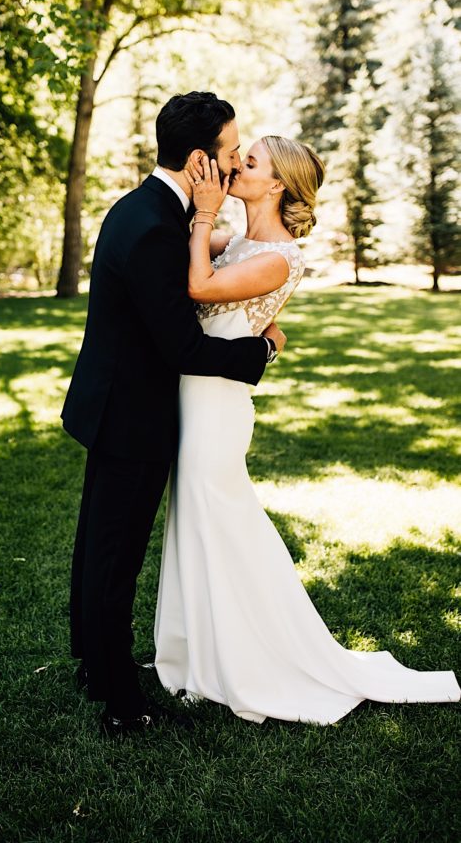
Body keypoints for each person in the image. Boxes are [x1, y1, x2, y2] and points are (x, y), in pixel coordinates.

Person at [154, 135, 461, 723]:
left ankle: (261, 656)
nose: (233, 166)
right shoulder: (238, 240)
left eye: (248, 162)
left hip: (218, 405)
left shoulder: (281, 256)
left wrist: (207, 217)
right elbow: (181, 254)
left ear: (275, 185)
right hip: (194, 395)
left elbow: (198, 287)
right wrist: (199, 209)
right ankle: (202, 650)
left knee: (222, 517)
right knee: (196, 516)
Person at [62, 92, 286, 737]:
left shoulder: (148, 207)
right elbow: (183, 346)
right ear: (199, 160)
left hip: (113, 401)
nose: (237, 161)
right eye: (229, 153)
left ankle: (94, 665)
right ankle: (122, 702)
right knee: (115, 555)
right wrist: (262, 349)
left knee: (97, 546)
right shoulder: (158, 227)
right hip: (133, 414)